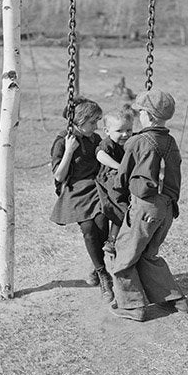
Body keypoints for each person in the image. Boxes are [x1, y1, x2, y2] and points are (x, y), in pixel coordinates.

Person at [107, 88, 188, 322]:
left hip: (144, 207)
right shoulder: (171, 142)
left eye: (140, 112)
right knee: (149, 254)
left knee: (124, 256)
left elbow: (122, 177)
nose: (139, 117)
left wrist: (119, 197)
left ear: (149, 116)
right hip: (167, 208)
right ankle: (174, 299)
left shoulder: (137, 141)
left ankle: (132, 307)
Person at [50, 98, 113, 302]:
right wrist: (69, 150)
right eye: (93, 122)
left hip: (95, 188)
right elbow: (59, 176)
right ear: (80, 120)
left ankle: (96, 269)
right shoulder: (62, 141)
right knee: (88, 229)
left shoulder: (94, 140)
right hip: (75, 190)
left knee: (102, 225)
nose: (96, 127)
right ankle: (103, 274)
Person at [94, 106, 134, 253]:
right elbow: (100, 155)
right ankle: (112, 240)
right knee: (120, 209)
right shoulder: (107, 144)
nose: (125, 134)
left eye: (129, 130)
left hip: (125, 182)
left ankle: (118, 240)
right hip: (110, 182)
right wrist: (118, 166)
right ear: (107, 131)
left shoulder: (132, 140)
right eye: (119, 131)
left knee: (128, 209)